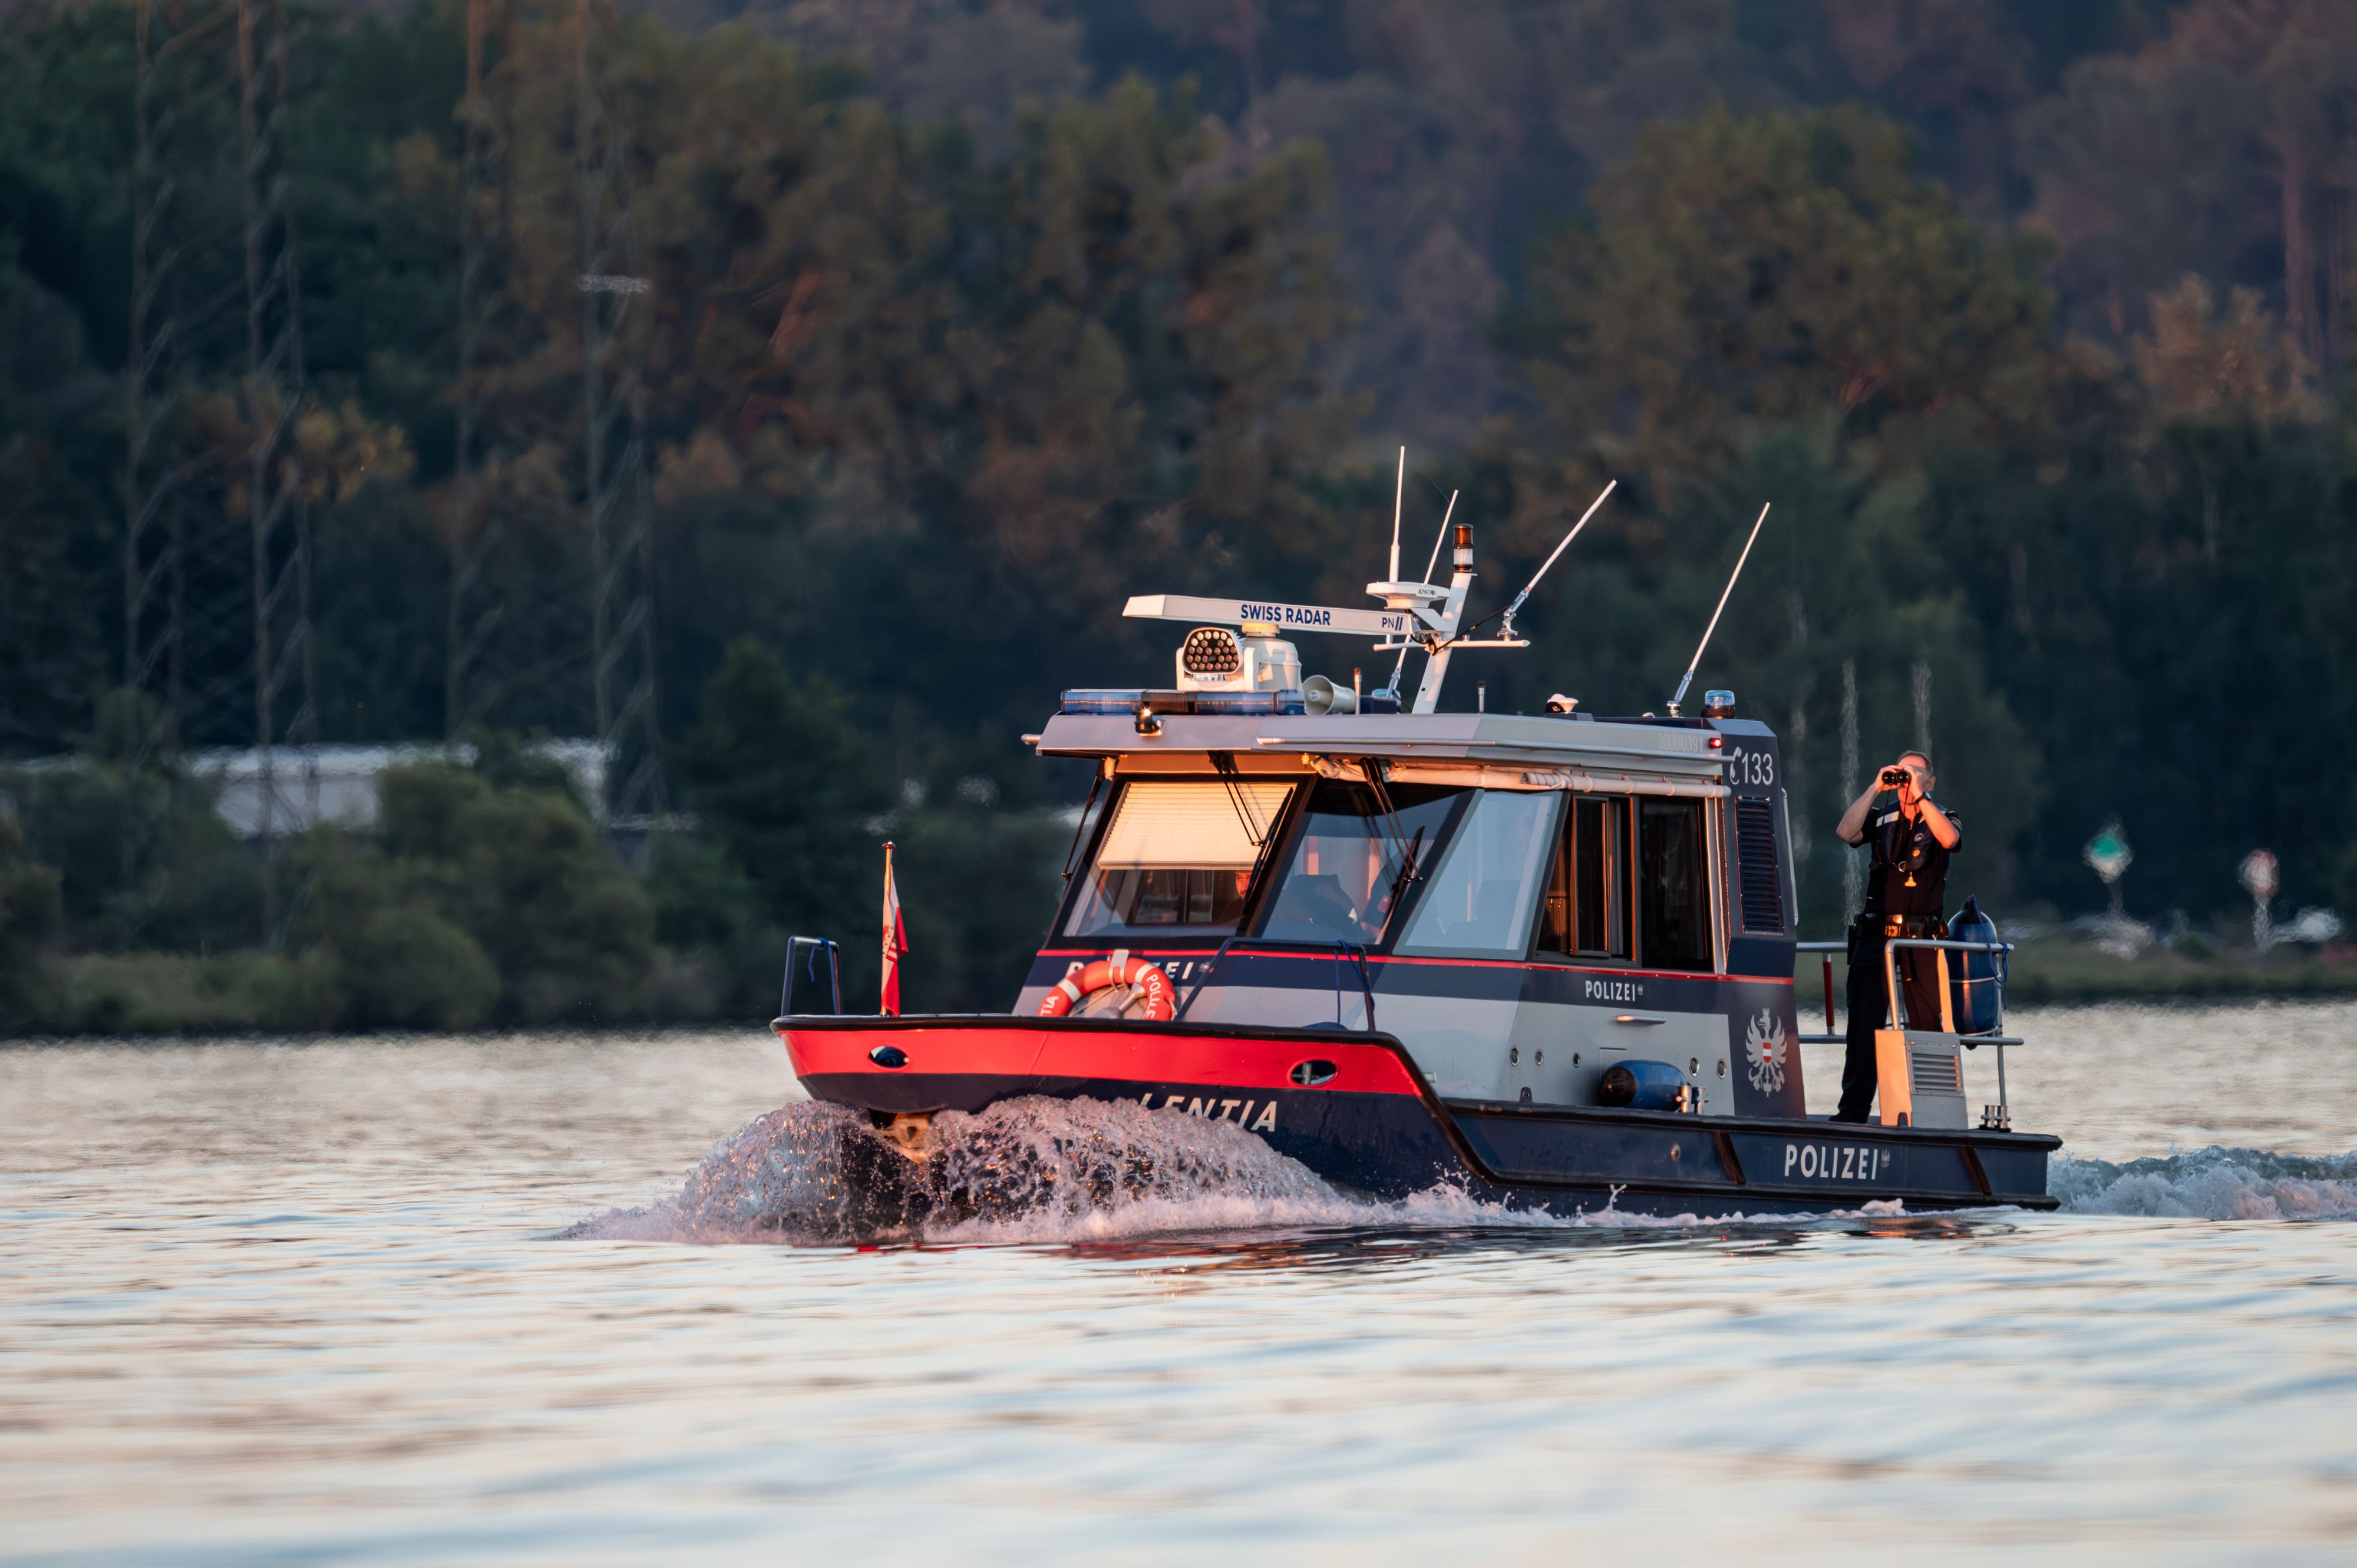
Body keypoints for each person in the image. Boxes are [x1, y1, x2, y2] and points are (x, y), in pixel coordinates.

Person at [1830, 750, 1960, 1124]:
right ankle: (1853, 1113)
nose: (1909, 780)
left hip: (1921, 938)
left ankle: (1935, 1114)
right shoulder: (1882, 815)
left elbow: (1949, 840)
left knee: (1926, 1026)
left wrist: (1920, 797)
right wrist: (1875, 786)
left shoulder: (1943, 815)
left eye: (1917, 774)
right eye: (1904, 774)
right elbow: (1845, 831)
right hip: (1877, 934)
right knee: (1864, 1026)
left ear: (1931, 782)